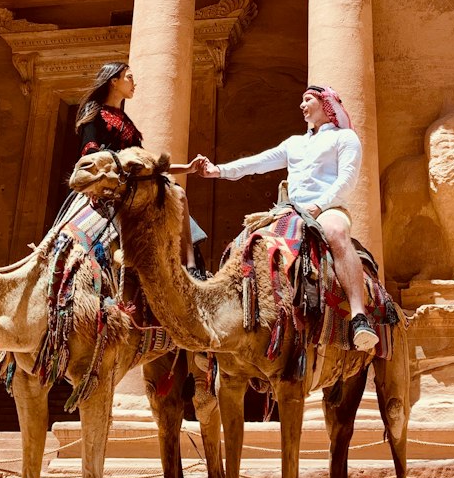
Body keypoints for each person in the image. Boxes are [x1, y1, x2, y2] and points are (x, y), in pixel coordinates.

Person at [189, 85, 380, 352]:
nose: (302, 105)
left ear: (327, 104)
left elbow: (347, 180)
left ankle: (359, 316)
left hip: (327, 208)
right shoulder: (294, 143)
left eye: (308, 99)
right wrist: (217, 171)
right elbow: (256, 163)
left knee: (336, 233)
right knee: (243, 243)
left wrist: (320, 205)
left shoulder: (345, 138)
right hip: (288, 210)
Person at [72, 61, 202, 273]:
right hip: (110, 182)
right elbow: (90, 152)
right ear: (114, 81)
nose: (134, 83)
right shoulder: (94, 111)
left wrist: (187, 168)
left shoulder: (126, 121)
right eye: (129, 77)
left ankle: (191, 267)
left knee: (177, 193)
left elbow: (147, 162)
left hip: (135, 181)